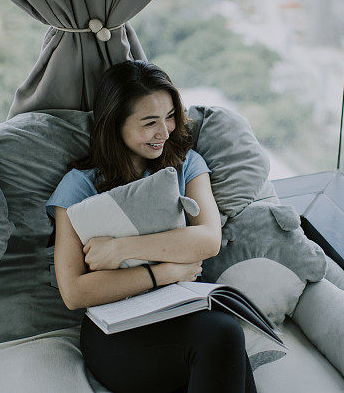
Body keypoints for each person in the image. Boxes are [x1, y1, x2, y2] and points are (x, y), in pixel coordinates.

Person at [46, 60, 257, 393]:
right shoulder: (79, 186)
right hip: (115, 329)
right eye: (149, 122)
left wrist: (121, 248)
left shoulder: (186, 164)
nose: (164, 132)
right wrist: (167, 272)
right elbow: (74, 292)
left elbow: (207, 239)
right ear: (115, 123)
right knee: (223, 336)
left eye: (170, 116)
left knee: (224, 332)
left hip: (181, 310)